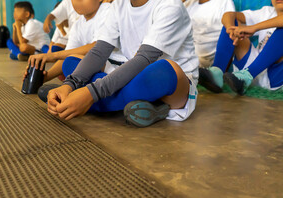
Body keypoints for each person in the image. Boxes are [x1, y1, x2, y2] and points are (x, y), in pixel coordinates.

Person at [44, 0, 199, 127]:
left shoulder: (170, 5)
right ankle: (133, 104)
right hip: (131, 72)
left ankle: (85, 102)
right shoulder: (119, 5)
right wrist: (69, 84)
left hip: (170, 85)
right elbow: (99, 51)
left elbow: (145, 58)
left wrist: (91, 93)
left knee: (164, 71)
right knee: (71, 62)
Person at [25, 0, 124, 91]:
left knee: (71, 63)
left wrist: (52, 55)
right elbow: (68, 54)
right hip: (101, 67)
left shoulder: (107, 10)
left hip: (117, 65)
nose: (78, 1)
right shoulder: (78, 24)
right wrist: (43, 78)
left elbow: (97, 47)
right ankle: (94, 91)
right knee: (69, 62)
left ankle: (84, 92)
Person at [199, 0, 283, 95]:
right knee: (233, 24)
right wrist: (230, 29)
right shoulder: (266, 12)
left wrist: (254, 27)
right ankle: (217, 73)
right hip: (252, 74)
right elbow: (229, 15)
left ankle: (248, 75)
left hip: (276, 77)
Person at [183, 0, 236, 68]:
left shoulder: (224, 2)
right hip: (184, 56)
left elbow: (230, 33)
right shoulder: (188, 3)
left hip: (204, 62)